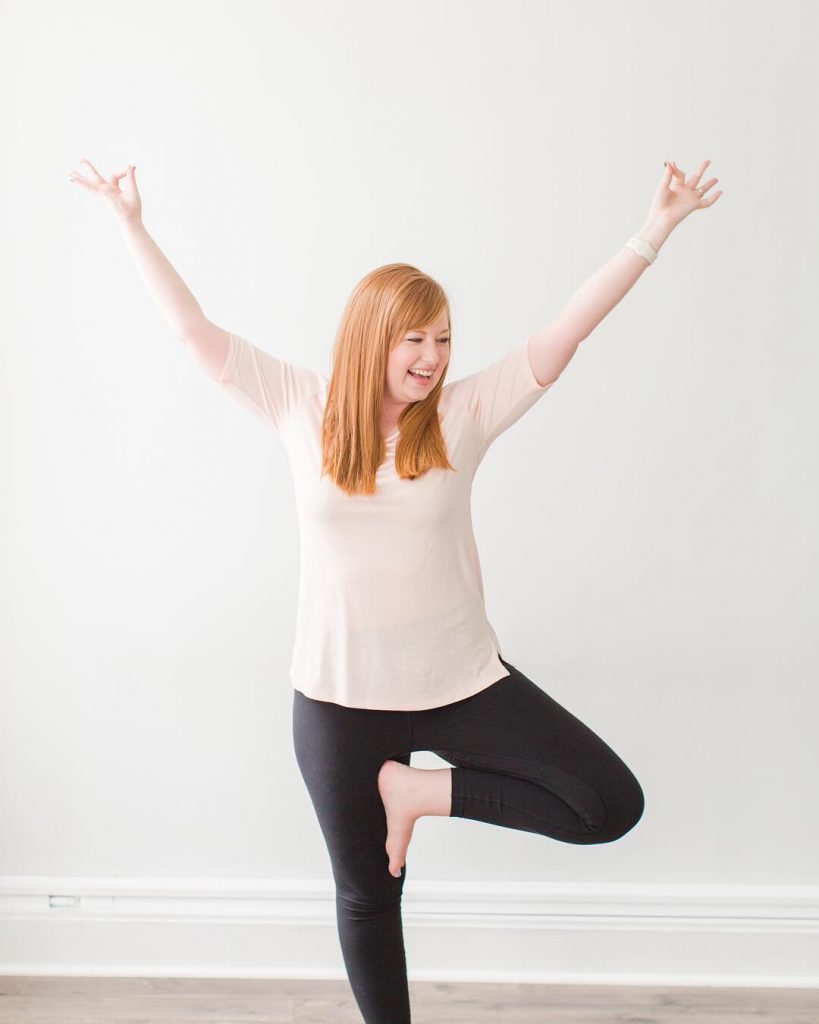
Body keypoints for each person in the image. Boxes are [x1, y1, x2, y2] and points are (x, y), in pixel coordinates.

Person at [69, 157, 721, 1024]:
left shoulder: (464, 413)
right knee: (369, 898)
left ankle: (419, 795)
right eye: (414, 338)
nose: (432, 357)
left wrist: (655, 229)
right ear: (373, 335)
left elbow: (565, 334)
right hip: (336, 702)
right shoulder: (300, 405)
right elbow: (196, 336)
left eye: (444, 339)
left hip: (460, 685)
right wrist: (129, 223)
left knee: (607, 804)